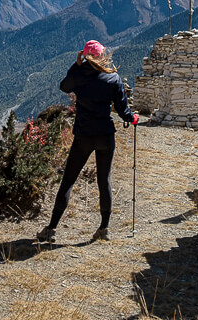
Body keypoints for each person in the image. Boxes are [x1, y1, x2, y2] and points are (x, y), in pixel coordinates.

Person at [36, 39, 137, 242]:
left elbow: (64, 86)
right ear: (102, 56)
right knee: (104, 180)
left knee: (68, 180)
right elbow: (123, 109)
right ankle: (104, 228)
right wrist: (132, 118)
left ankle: (51, 229)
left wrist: (76, 65)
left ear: (85, 56)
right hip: (105, 135)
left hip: (84, 135)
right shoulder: (113, 78)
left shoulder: (79, 77)